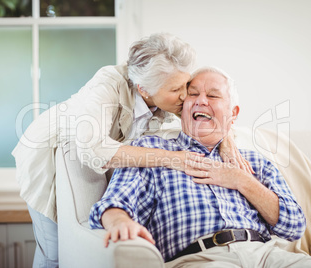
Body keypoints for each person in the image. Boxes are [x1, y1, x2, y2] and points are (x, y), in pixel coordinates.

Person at [12, 34, 250, 267]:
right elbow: (92, 147)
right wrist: (174, 159)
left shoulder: (167, 89)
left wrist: (227, 139)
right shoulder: (108, 83)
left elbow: (207, 112)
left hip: (105, 155)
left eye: (185, 85)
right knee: (53, 249)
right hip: (48, 151)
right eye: (177, 89)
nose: (185, 96)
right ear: (144, 89)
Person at [89, 66, 311, 267]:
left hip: (266, 255)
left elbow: (294, 226)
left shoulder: (254, 162)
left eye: (213, 96)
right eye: (193, 94)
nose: (201, 100)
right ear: (182, 109)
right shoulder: (150, 150)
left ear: (233, 114)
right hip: (201, 257)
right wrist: (120, 222)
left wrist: (241, 181)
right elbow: (114, 204)